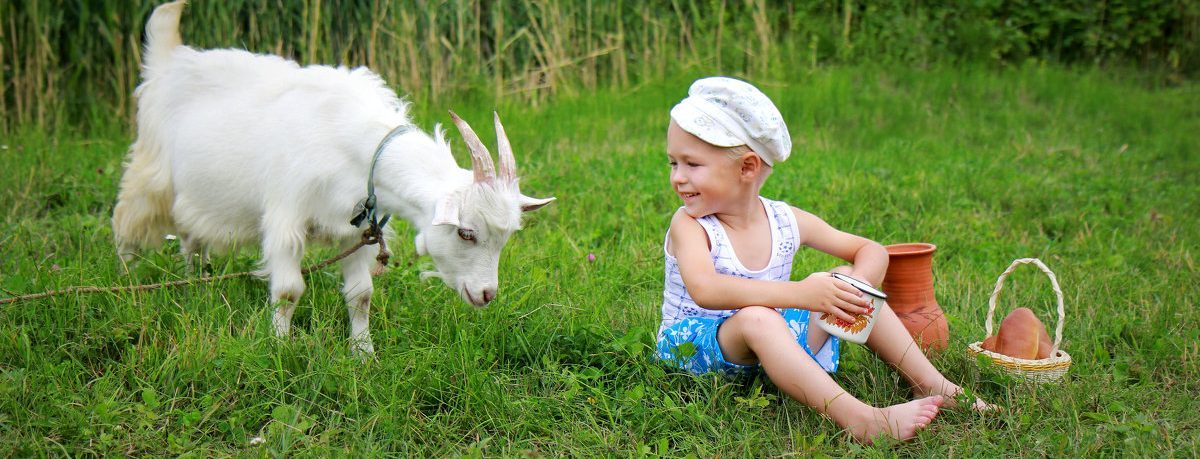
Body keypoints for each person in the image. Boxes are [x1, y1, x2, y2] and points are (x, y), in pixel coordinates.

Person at [655, 76, 988, 444]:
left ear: (748, 168)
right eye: (673, 162)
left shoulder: (784, 220)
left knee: (844, 278)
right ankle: (862, 420)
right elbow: (706, 289)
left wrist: (855, 287)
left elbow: (871, 251)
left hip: (775, 349)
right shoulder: (691, 224)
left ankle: (931, 384)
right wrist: (802, 293)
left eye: (691, 164)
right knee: (758, 318)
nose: (677, 178)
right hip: (693, 348)